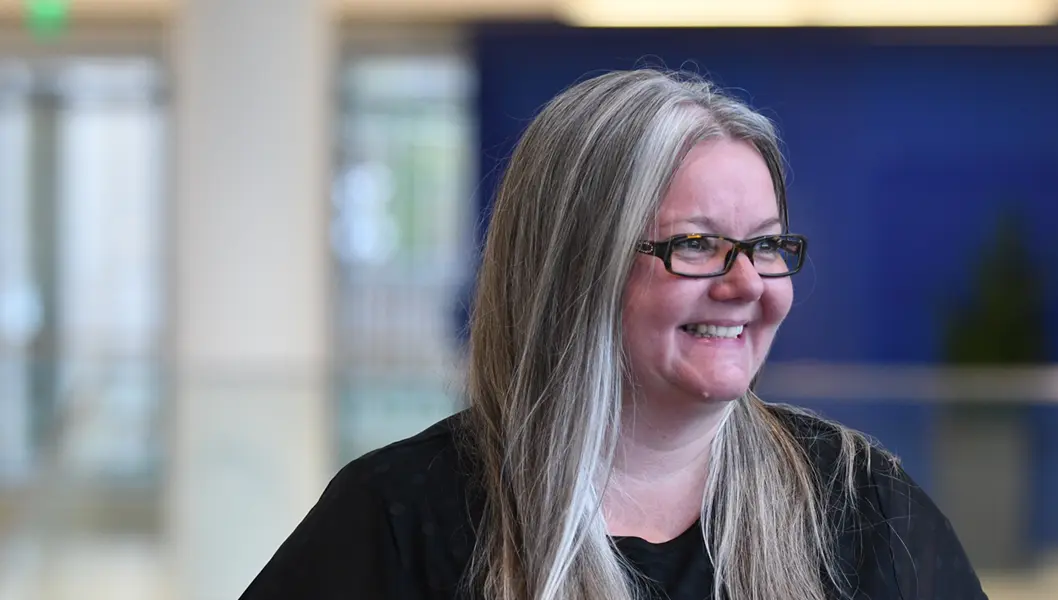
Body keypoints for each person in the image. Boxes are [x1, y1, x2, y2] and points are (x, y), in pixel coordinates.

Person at [239, 69, 988, 600]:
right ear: (574, 266)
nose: (747, 284)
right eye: (696, 243)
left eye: (765, 245)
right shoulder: (400, 520)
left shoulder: (861, 505)